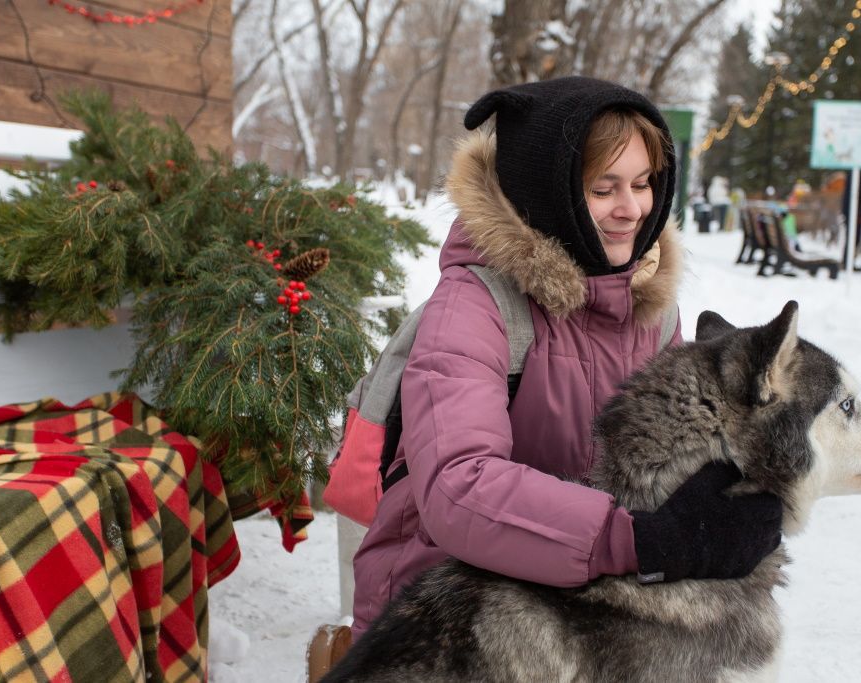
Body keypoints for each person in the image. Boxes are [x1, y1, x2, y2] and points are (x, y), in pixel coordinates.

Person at [308, 77, 783, 678]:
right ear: (546, 192)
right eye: (602, 188)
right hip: (445, 610)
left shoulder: (651, 308)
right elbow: (460, 486)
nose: (631, 208)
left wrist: (727, 504)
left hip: (578, 596)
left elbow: (671, 448)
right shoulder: (475, 307)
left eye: (642, 184)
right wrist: (639, 539)